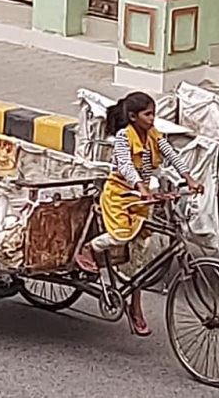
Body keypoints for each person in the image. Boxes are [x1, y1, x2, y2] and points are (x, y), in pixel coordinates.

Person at [75, 91, 203, 336]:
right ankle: (88, 249)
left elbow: (173, 156)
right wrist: (139, 185)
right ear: (133, 117)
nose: (153, 119)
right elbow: (124, 163)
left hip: (142, 199)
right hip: (120, 196)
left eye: (154, 113)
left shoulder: (155, 136)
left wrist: (189, 178)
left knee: (139, 259)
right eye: (148, 114)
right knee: (122, 235)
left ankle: (135, 308)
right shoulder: (124, 137)